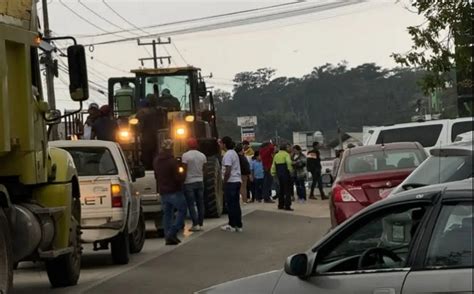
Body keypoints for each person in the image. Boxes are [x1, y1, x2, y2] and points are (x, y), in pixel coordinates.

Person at [154, 139, 187, 245]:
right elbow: (177, 177)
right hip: (174, 190)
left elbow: (156, 176)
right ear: (171, 149)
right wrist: (183, 175)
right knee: (182, 210)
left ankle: (168, 236)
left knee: (167, 214)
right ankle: (172, 232)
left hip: (163, 190)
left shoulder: (156, 161)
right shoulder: (172, 161)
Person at [182, 138, 207, 232]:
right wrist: (201, 177)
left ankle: (195, 224)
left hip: (189, 182)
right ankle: (200, 223)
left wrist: (182, 180)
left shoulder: (185, 156)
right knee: (200, 203)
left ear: (188, 145)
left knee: (191, 204)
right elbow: (204, 169)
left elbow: (184, 169)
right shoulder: (202, 156)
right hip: (200, 181)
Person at [220, 136, 243, 232]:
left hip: (231, 181)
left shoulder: (228, 155)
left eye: (221, 143)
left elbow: (228, 170)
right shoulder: (234, 153)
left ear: (224, 144)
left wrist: (224, 182)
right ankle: (238, 225)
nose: (220, 145)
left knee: (231, 204)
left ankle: (232, 225)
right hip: (237, 180)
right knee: (236, 204)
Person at [271, 143, 293, 211]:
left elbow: (273, 165)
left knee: (281, 190)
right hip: (285, 173)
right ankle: (287, 206)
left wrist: (273, 173)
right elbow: (289, 162)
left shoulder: (276, 155)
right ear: (285, 148)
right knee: (287, 190)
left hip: (278, 174)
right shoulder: (286, 154)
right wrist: (290, 170)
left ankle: (280, 205)